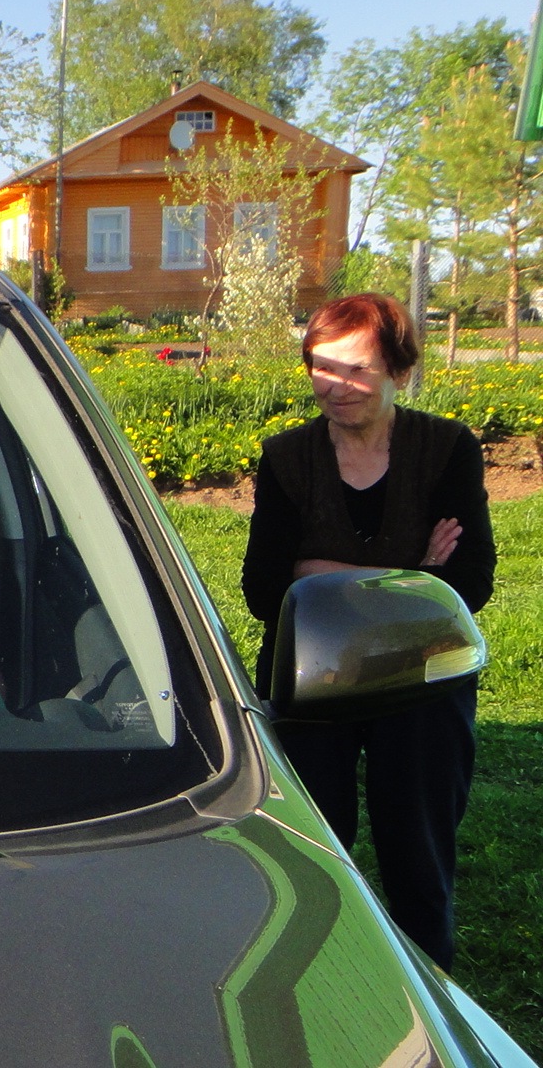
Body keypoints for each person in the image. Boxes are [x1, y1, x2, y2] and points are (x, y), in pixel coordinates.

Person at [241, 292, 495, 971]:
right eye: (322, 368)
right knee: (313, 850)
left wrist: (318, 570)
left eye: (356, 369)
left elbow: (468, 584)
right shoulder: (287, 458)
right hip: (311, 673)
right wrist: (411, 573)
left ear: (399, 372)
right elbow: (265, 590)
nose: (336, 386)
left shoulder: (447, 450)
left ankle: (428, 987)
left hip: (422, 678)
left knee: (419, 852)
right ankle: (316, 978)